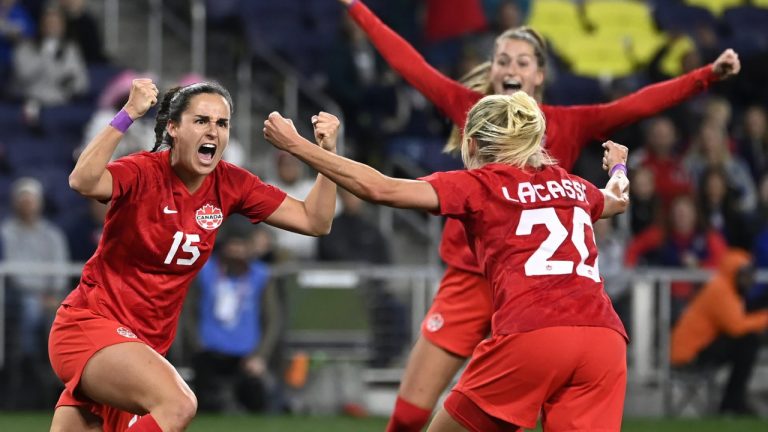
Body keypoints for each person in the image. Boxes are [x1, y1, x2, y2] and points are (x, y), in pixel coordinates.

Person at [335, 1, 741, 429]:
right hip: (471, 278)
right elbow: (410, 65)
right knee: (408, 416)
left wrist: (705, 76)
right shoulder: (474, 111)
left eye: (522, 61)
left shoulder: (566, 122)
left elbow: (636, 106)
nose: (510, 68)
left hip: (544, 290)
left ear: (539, 75)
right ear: (492, 72)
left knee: (536, 403)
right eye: (502, 60)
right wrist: (357, 7)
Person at [264, 91, 631, 431]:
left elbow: (381, 188)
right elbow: (617, 199)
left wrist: (296, 146)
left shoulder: (483, 183)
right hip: (604, 341)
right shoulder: (574, 186)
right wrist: (618, 167)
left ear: (471, 144)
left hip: (533, 334)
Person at [47, 78, 338, 432]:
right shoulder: (143, 171)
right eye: (201, 121)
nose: (213, 131)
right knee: (178, 404)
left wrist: (326, 153)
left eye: (222, 123)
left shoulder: (232, 184)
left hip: (141, 351)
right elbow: (83, 181)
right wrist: (129, 113)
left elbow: (315, 220)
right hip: (91, 327)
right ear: (173, 128)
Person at [188, 219, 281, 413]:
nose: (237, 251)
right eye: (233, 245)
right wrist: (197, 346)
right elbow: (188, 312)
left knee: (257, 403)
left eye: (242, 245)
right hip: (210, 352)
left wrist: (261, 356)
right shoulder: (204, 270)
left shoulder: (261, 275)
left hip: (247, 356)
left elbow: (272, 319)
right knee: (208, 407)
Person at [670, 249, 768, 415]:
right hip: (689, 356)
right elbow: (736, 327)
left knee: (747, 343)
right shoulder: (721, 291)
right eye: (744, 276)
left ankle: (733, 401)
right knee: (747, 343)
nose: (748, 281)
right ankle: (733, 402)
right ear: (734, 274)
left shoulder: (724, 287)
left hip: (695, 349)